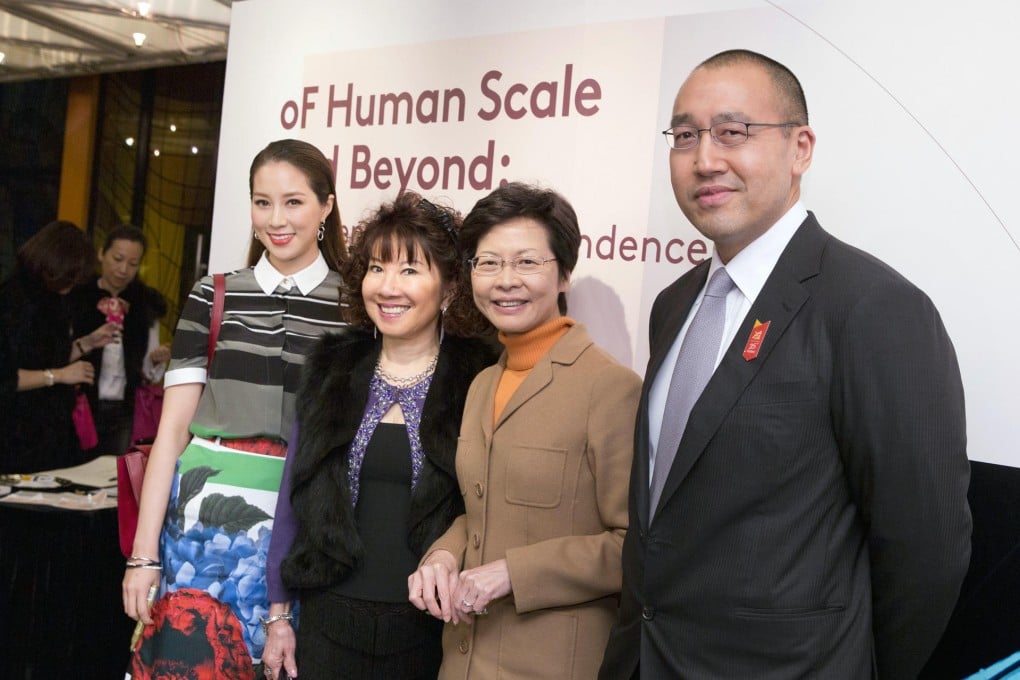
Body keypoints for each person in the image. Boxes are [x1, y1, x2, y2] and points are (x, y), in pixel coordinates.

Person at [598, 49, 971, 680]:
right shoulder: (675, 304)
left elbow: (926, 550)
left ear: (801, 148)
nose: (704, 159)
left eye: (733, 132)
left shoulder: (872, 308)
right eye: (685, 136)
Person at [121, 138, 348, 679]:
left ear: (326, 206)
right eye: (262, 201)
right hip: (202, 527)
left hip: (305, 521)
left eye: (293, 201)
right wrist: (144, 554)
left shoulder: (356, 305)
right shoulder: (214, 294)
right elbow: (171, 433)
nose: (276, 218)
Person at [408, 182, 641, 680]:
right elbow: (480, 512)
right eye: (488, 263)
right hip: (463, 659)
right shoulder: (482, 384)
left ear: (564, 274)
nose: (504, 280)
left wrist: (515, 572)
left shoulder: (610, 388)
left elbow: (635, 546)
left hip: (555, 663)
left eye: (527, 262)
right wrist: (442, 556)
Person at [262, 192, 498, 680]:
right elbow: (293, 496)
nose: (388, 287)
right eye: (376, 268)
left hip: (433, 630)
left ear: (450, 286)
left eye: (410, 270)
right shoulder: (332, 367)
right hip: (327, 624)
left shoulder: (479, 377)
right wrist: (279, 615)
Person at [0, 220, 121, 473]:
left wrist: (86, 343)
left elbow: (47, 355)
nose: (74, 282)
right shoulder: (13, 301)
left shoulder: (52, 299)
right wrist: (59, 376)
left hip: (48, 434)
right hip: (15, 435)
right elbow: (7, 378)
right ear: (55, 264)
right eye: (72, 275)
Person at [70, 224, 169, 456]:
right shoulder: (77, 297)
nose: (123, 269)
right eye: (118, 258)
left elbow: (148, 371)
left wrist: (155, 361)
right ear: (101, 253)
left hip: (125, 407)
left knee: (117, 471)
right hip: (80, 402)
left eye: (133, 264)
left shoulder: (144, 304)